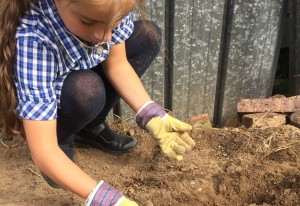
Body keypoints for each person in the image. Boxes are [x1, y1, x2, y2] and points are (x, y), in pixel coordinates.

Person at [0, 0, 196, 205]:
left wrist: (153, 115)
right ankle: (62, 135)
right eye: (87, 22)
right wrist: (109, 200)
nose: (105, 37)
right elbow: (43, 150)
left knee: (147, 34)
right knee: (86, 90)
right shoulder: (34, 39)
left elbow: (118, 65)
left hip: (83, 81)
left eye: (115, 23)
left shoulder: (111, 8)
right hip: (60, 103)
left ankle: (90, 127)